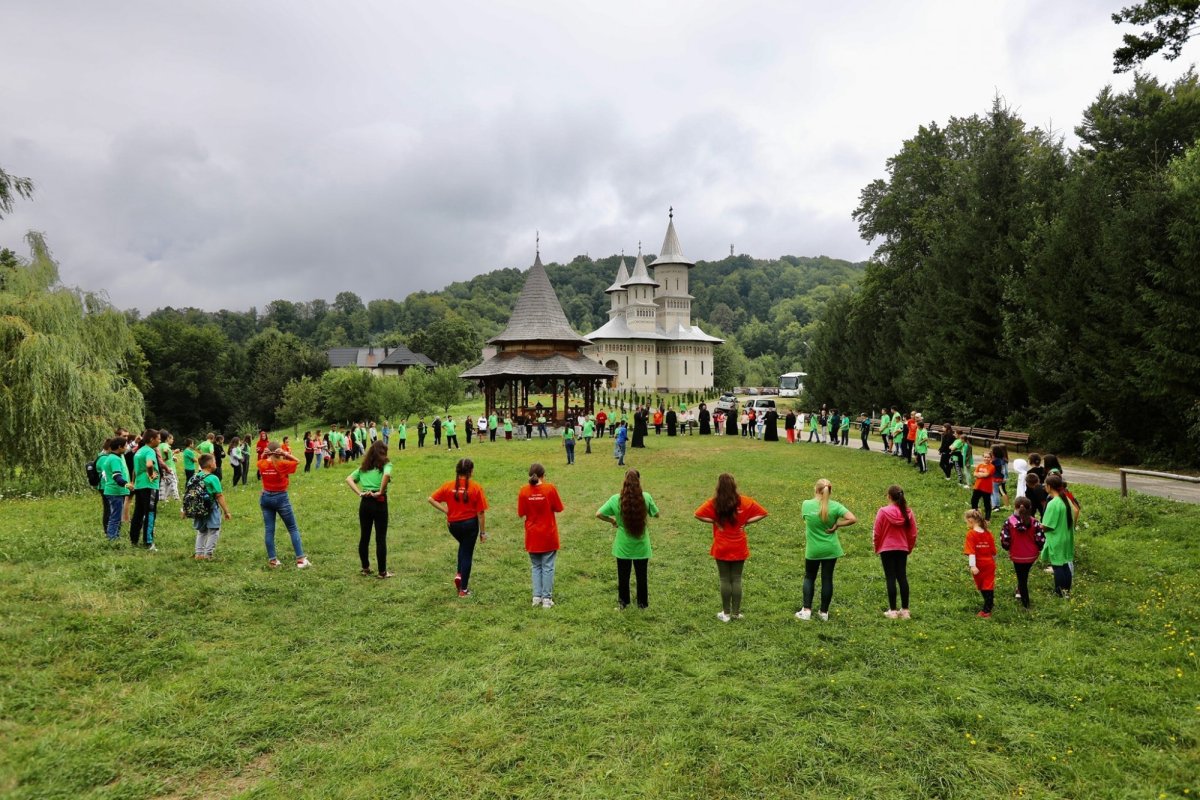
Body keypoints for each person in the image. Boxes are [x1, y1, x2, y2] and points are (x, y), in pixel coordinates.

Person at [693, 473, 768, 622]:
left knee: (724, 579)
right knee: (737, 579)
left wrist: (714, 521)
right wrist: (746, 522)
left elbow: (697, 514)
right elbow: (763, 513)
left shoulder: (714, 503)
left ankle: (726, 614)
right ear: (734, 485)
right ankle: (736, 613)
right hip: (739, 545)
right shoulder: (745, 501)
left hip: (722, 545)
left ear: (719, 487)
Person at [795, 479, 858, 622]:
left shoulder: (806, 504)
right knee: (827, 578)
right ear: (830, 490)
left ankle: (806, 611)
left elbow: (806, 520)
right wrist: (838, 524)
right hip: (831, 549)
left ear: (816, 489)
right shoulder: (836, 506)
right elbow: (852, 519)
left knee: (809, 577)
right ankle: (824, 613)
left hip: (813, 550)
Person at [596, 469, 659, 610]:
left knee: (623, 576)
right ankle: (642, 604)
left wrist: (612, 521)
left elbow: (599, 514)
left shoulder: (615, 499)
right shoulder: (646, 497)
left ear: (624, 481)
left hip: (623, 546)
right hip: (642, 545)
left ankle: (623, 602)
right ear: (639, 481)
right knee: (642, 575)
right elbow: (656, 514)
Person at [428, 458, 489, 597]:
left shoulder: (448, 486)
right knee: (467, 553)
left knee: (463, 546)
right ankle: (464, 590)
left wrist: (446, 511)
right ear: (471, 471)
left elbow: (431, 499)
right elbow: (481, 513)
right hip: (470, 526)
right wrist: (483, 532)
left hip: (453, 526)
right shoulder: (475, 487)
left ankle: (459, 575)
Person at [518, 463, 564, 608]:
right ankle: (547, 599)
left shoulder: (524, 491)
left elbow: (521, 512)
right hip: (548, 534)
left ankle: (537, 597)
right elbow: (559, 508)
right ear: (543, 475)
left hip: (532, 535)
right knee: (548, 566)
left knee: (536, 566)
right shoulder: (550, 489)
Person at [346, 440, 393, 578]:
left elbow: (349, 479)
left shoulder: (364, 468)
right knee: (380, 538)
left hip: (365, 502)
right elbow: (387, 475)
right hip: (379, 501)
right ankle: (382, 572)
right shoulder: (386, 464)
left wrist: (360, 493)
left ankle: (365, 568)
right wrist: (380, 491)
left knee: (364, 536)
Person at [258, 442, 310, 569]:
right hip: (281, 497)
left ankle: (273, 561)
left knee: (269, 530)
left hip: (265, 497)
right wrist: (286, 454)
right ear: (279, 452)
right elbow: (297, 461)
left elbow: (260, 462)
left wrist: (264, 455)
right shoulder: (282, 464)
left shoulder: (262, 464)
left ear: (268, 451)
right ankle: (301, 560)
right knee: (292, 528)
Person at [873, 485, 917, 619]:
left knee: (890, 577)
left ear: (889, 496)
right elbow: (913, 533)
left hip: (886, 549)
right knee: (902, 577)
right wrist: (908, 548)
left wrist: (877, 547)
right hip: (902, 548)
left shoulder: (883, 511)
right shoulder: (908, 512)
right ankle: (905, 610)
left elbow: (877, 532)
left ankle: (892, 611)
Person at [1001, 496, 1045, 608]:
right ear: (1030, 508)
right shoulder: (1035, 522)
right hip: (1031, 555)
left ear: (1015, 507)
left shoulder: (1009, 522)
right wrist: (1039, 548)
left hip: (1017, 555)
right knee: (1024, 575)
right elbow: (1040, 539)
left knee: (1022, 578)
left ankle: (1026, 604)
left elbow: (1005, 539)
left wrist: (1008, 548)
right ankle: (1019, 590)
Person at [189, 452, 232, 560]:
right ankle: (208, 555)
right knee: (214, 530)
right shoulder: (213, 478)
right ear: (210, 465)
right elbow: (219, 495)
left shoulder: (194, 477)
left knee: (201, 531)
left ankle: (199, 554)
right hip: (211, 508)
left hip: (198, 508)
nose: (215, 464)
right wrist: (226, 511)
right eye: (215, 462)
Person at [1041, 474, 1077, 598]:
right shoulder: (1066, 500)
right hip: (1066, 537)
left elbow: (1048, 525)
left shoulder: (1053, 503)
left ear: (1049, 486)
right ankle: (1066, 591)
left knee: (1057, 566)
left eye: (1045, 485)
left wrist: (1037, 525)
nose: (1044, 487)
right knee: (1065, 564)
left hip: (1056, 538)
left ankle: (1059, 592)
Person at [130, 429, 162, 550]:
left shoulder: (139, 451)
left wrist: (133, 482)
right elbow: (149, 464)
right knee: (150, 512)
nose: (159, 441)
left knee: (138, 513)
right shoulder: (149, 451)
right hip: (149, 486)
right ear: (152, 439)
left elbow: (134, 469)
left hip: (139, 485)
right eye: (158, 438)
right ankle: (148, 542)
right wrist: (151, 475)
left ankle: (134, 540)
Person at [964, 509, 997, 617]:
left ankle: (987, 610)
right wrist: (993, 563)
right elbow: (993, 552)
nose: (966, 524)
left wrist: (972, 565)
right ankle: (989, 603)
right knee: (987, 585)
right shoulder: (988, 533)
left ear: (971, 520)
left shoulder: (971, 534)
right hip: (989, 564)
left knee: (984, 586)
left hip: (979, 565)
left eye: (966, 521)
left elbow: (971, 552)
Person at [99, 437, 131, 542]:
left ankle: (114, 535)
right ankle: (112, 538)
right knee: (115, 516)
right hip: (115, 491)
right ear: (119, 447)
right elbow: (116, 476)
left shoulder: (114, 457)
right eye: (125, 446)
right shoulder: (114, 459)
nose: (126, 448)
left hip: (115, 491)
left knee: (116, 515)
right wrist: (126, 484)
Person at [971, 451, 996, 520]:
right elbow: (974, 474)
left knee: (986, 503)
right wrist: (980, 474)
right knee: (974, 501)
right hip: (977, 486)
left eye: (988, 457)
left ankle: (987, 518)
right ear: (983, 457)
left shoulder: (992, 466)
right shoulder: (980, 465)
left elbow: (986, 475)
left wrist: (979, 474)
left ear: (991, 458)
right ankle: (975, 514)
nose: (986, 458)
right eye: (985, 457)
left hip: (986, 488)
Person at [158, 432, 180, 502]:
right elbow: (165, 450)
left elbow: (162, 455)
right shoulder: (165, 445)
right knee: (174, 482)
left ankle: (163, 497)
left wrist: (172, 457)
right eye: (172, 439)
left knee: (164, 483)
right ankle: (175, 497)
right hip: (169, 467)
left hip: (163, 466)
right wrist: (167, 457)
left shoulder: (159, 445)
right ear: (167, 438)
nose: (173, 440)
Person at [991, 445, 1010, 510]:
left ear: (995, 452)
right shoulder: (1002, 460)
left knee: (995, 492)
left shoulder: (995, 461)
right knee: (999, 491)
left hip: (995, 478)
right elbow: (1004, 470)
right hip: (1000, 478)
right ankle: (996, 505)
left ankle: (996, 506)